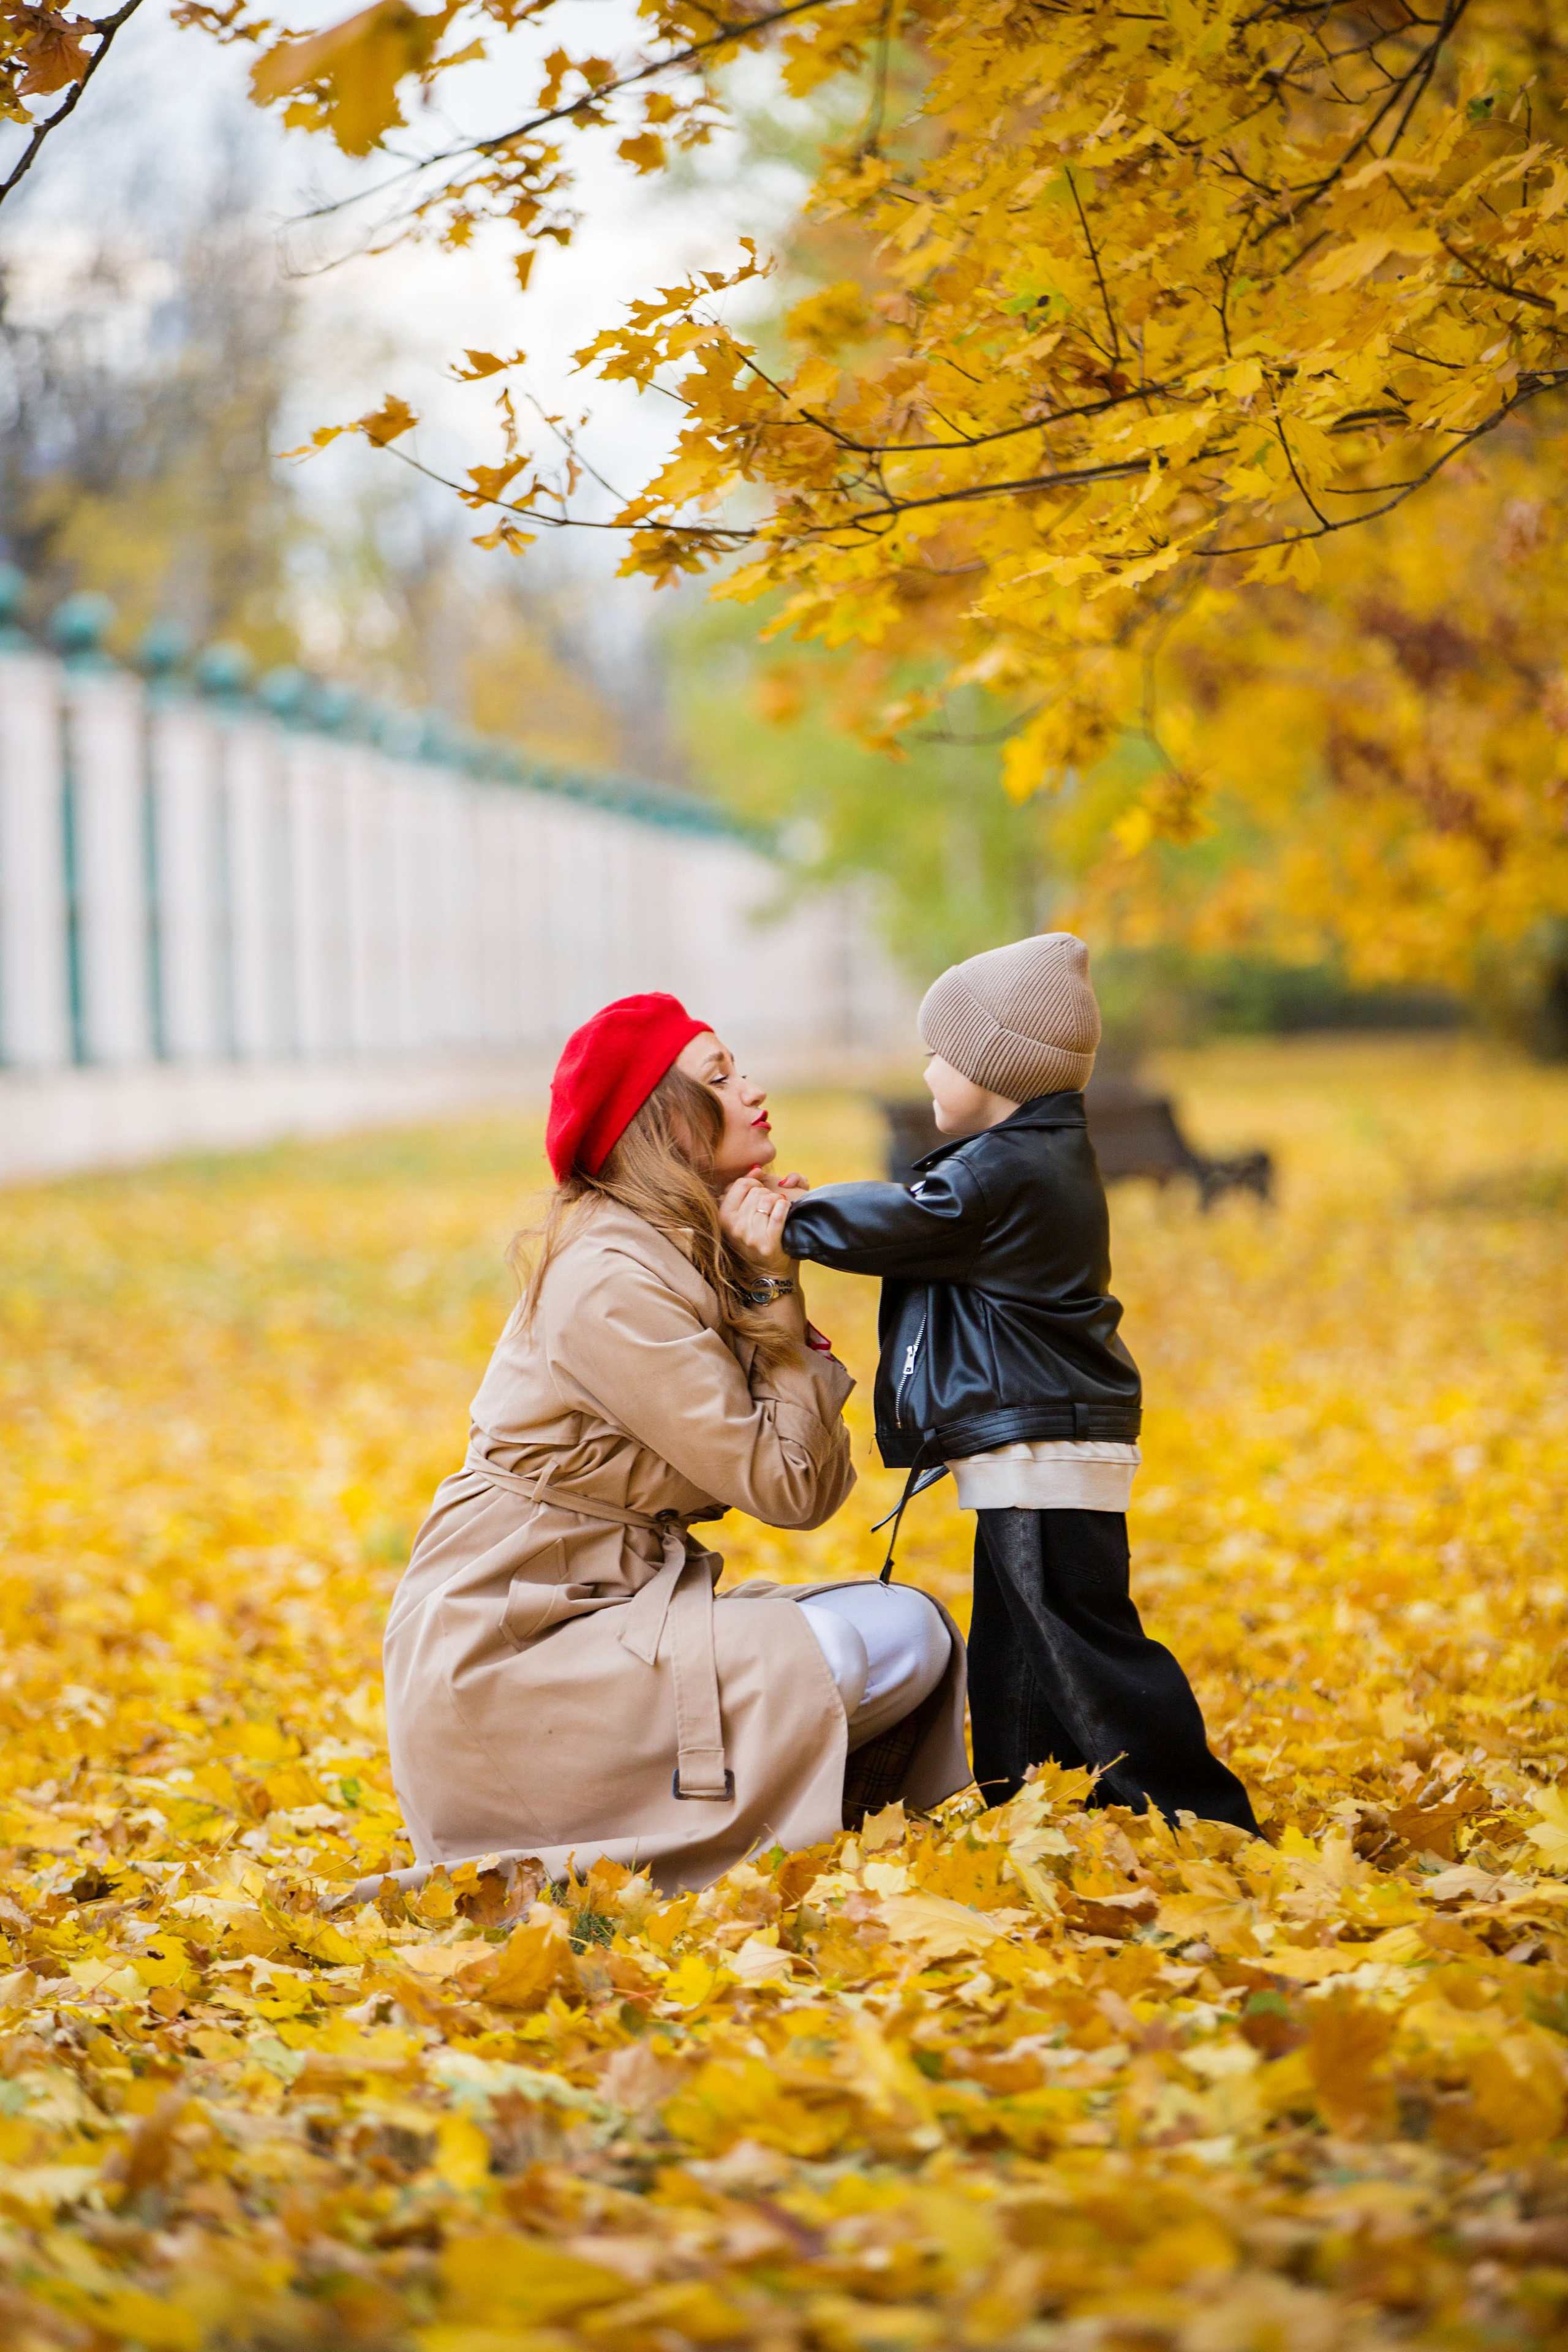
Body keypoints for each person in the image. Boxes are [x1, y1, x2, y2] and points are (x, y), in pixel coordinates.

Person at [382, 992, 968, 1895]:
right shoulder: (612, 1277)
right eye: (721, 1078)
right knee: (827, 1654)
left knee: (912, 1631)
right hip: (510, 1647)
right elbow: (784, 1486)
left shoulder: (686, 1244)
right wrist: (775, 1298)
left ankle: (717, 1818)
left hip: (612, 1605)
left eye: (741, 1069)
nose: (756, 1089)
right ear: (662, 1121)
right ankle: (646, 1839)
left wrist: (769, 1289)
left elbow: (811, 1486)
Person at [775, 933, 1258, 1833]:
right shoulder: (1026, 1157)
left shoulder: (1007, 1171)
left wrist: (787, 1217)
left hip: (1046, 1443)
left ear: (997, 1067)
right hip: (1036, 1440)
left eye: (940, 1052)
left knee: (1080, 1640)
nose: (926, 1069)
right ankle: (1033, 1798)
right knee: (1020, 1643)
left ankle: (1198, 1813)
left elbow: (903, 1221)